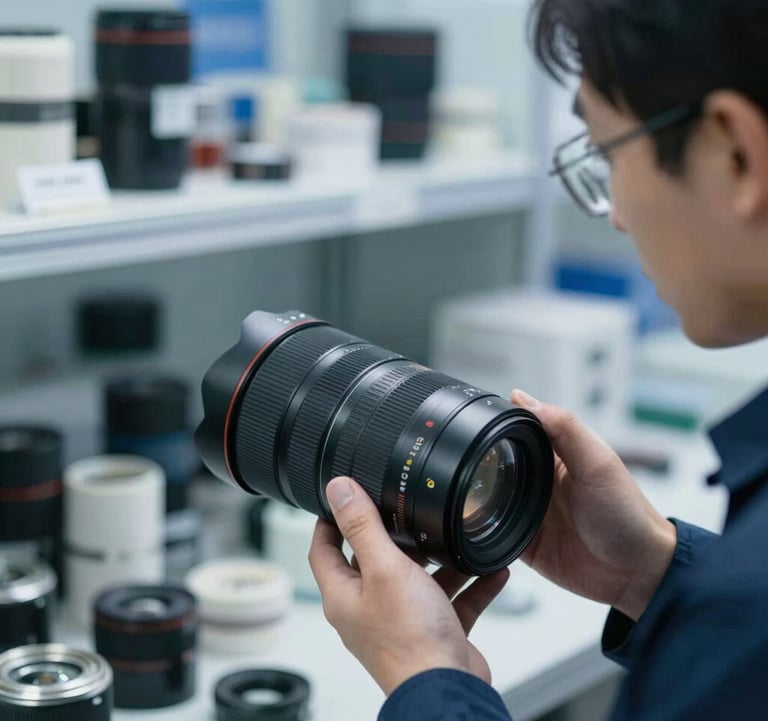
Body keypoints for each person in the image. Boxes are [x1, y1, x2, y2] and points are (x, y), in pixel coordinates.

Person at [308, 0, 768, 718]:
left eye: (608, 153)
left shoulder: (744, 611)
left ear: (735, 153)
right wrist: (650, 567)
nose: (615, 211)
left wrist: (427, 676)